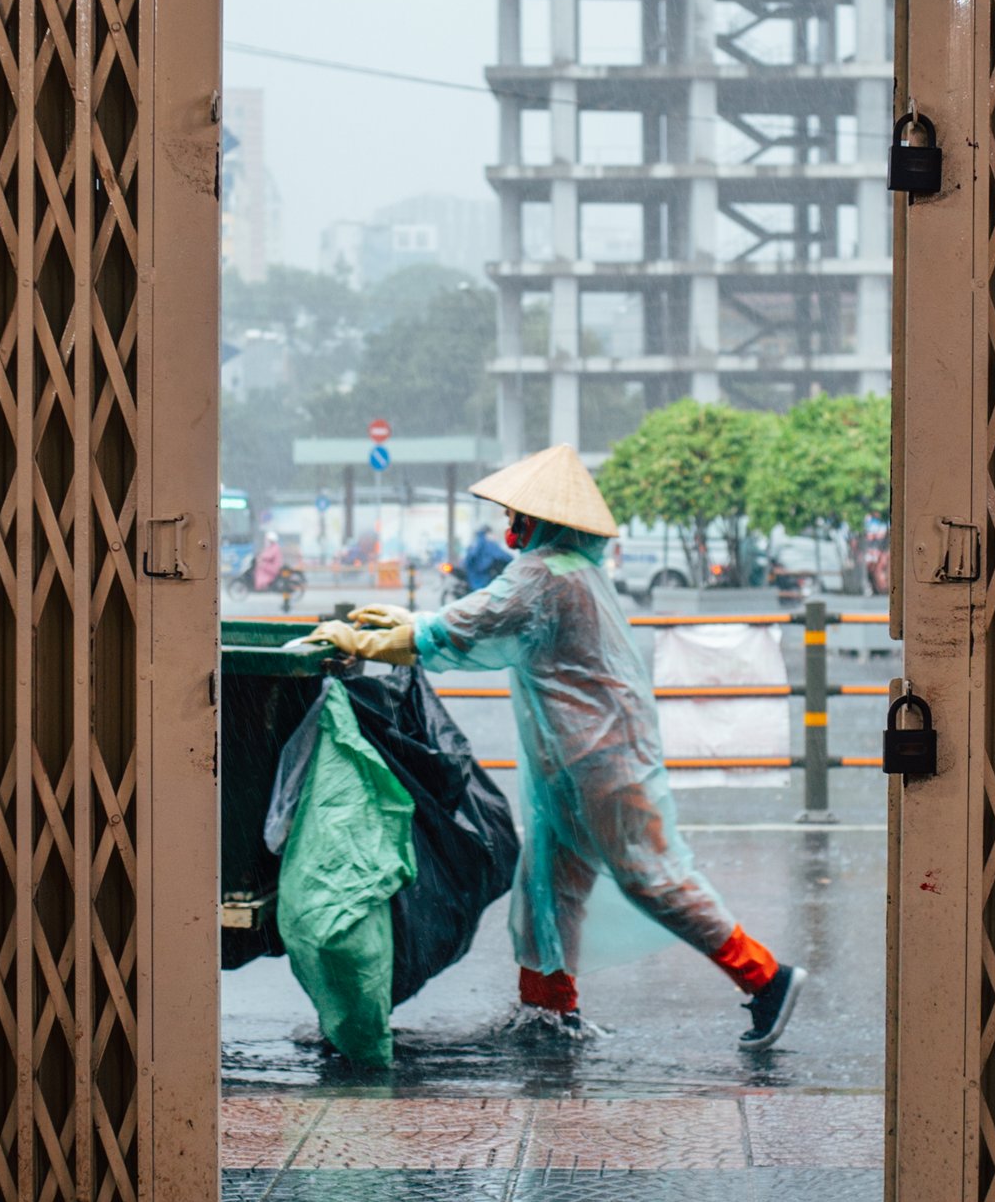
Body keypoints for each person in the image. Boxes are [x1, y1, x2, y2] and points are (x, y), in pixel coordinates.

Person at [310, 442, 805, 1048]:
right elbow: (475, 619)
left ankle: (767, 977)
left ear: (540, 519)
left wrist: (368, 641)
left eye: (516, 514)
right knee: (550, 882)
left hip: (598, 762)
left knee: (652, 878)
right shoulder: (571, 569)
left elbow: (464, 628)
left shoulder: (543, 574)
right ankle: (548, 1009)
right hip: (577, 764)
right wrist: (407, 621)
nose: (508, 525)